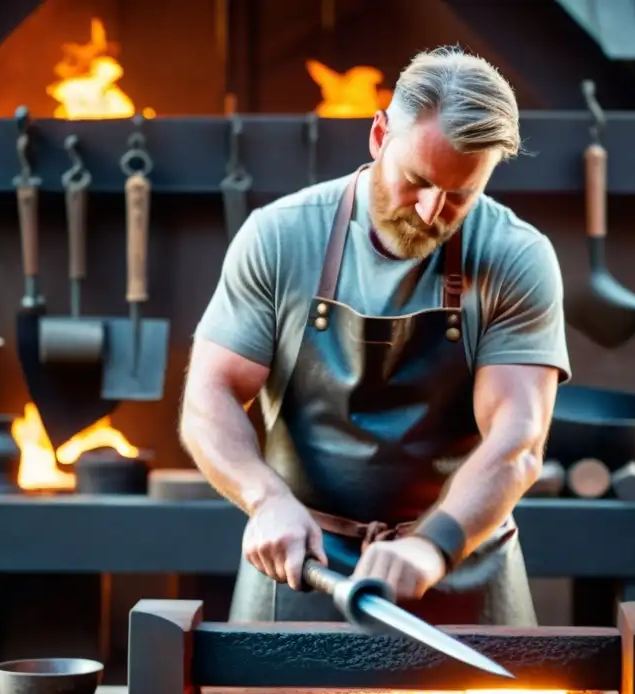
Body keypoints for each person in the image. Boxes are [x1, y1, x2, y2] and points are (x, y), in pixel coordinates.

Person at [180, 46, 570, 626]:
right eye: (417, 180)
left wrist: (430, 546)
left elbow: (516, 442)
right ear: (379, 134)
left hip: (456, 560)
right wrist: (265, 498)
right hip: (304, 563)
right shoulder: (279, 237)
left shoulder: (516, 256)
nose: (432, 211)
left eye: (460, 195)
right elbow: (208, 397)